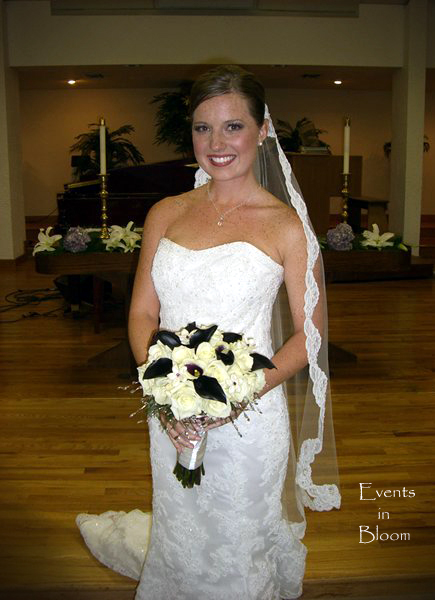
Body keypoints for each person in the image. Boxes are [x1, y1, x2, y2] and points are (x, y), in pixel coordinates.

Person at [77, 65, 340, 599]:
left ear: (263, 129)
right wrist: (165, 394)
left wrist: (237, 396)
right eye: (203, 128)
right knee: (181, 521)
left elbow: (310, 337)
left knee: (238, 539)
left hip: (249, 414)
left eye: (233, 127)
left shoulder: (286, 226)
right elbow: (142, 316)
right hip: (170, 408)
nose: (216, 144)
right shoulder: (164, 213)